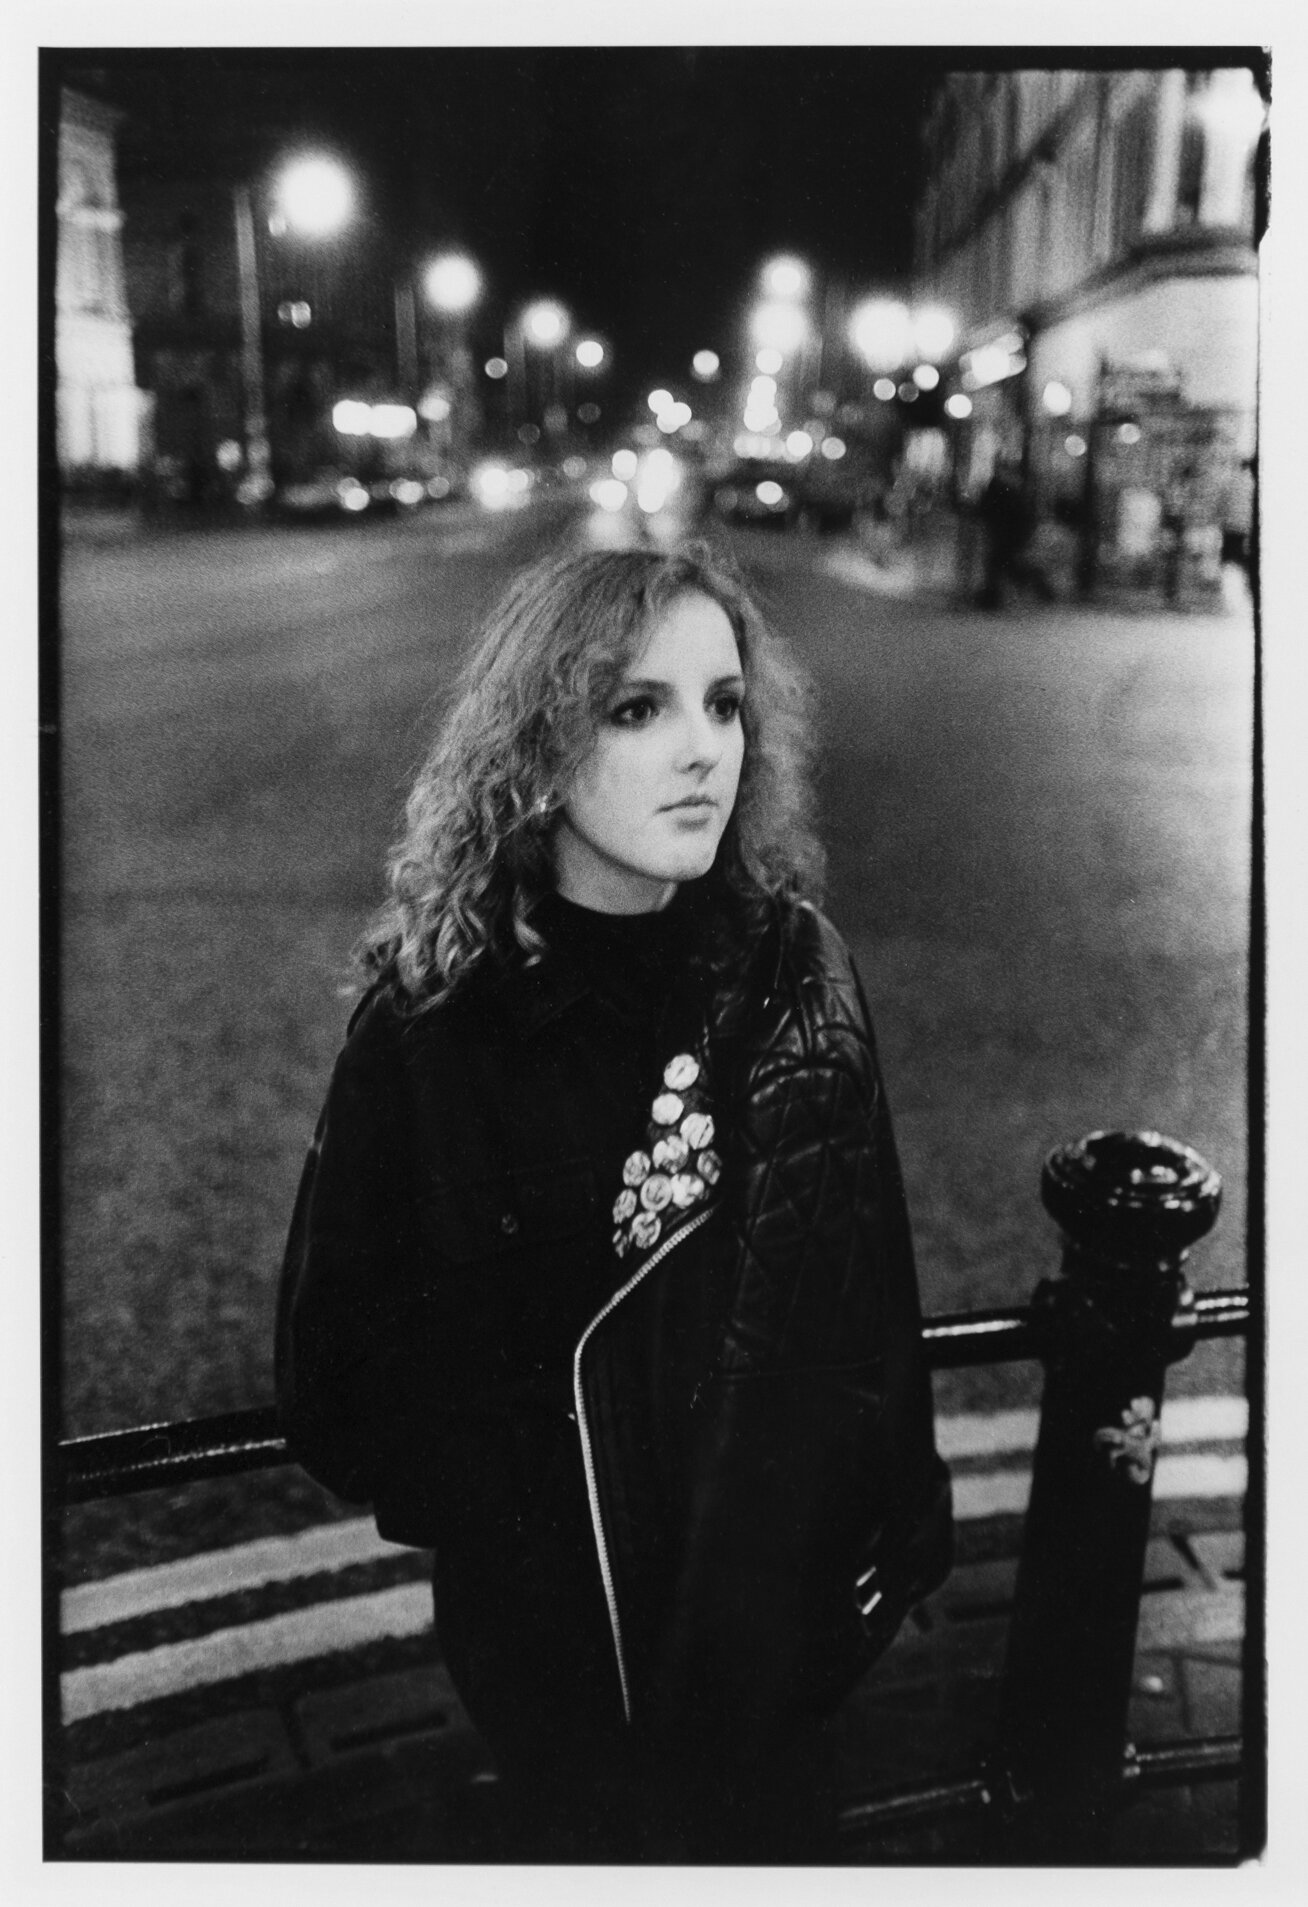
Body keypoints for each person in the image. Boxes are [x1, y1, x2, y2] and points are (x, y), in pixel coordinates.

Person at [275, 542, 952, 1862]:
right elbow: (337, 1377)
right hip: (562, 1671)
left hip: (779, 1633)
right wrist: (519, 1524)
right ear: (539, 744)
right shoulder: (436, 1031)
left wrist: (871, 1519)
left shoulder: (790, 969)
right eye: (636, 709)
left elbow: (866, 1280)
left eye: (723, 702)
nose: (703, 748)